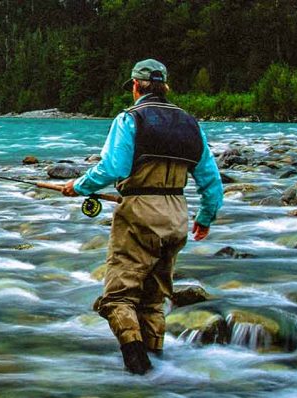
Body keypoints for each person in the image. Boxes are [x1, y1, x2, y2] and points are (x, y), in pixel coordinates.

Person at [61, 59, 224, 375]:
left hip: (138, 216)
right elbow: (211, 182)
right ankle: (158, 372)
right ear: (165, 87)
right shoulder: (191, 124)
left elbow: (113, 169)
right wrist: (205, 218)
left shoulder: (129, 119)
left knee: (116, 299)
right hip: (176, 216)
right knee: (152, 301)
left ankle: (138, 366)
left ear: (136, 86)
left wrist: (78, 186)